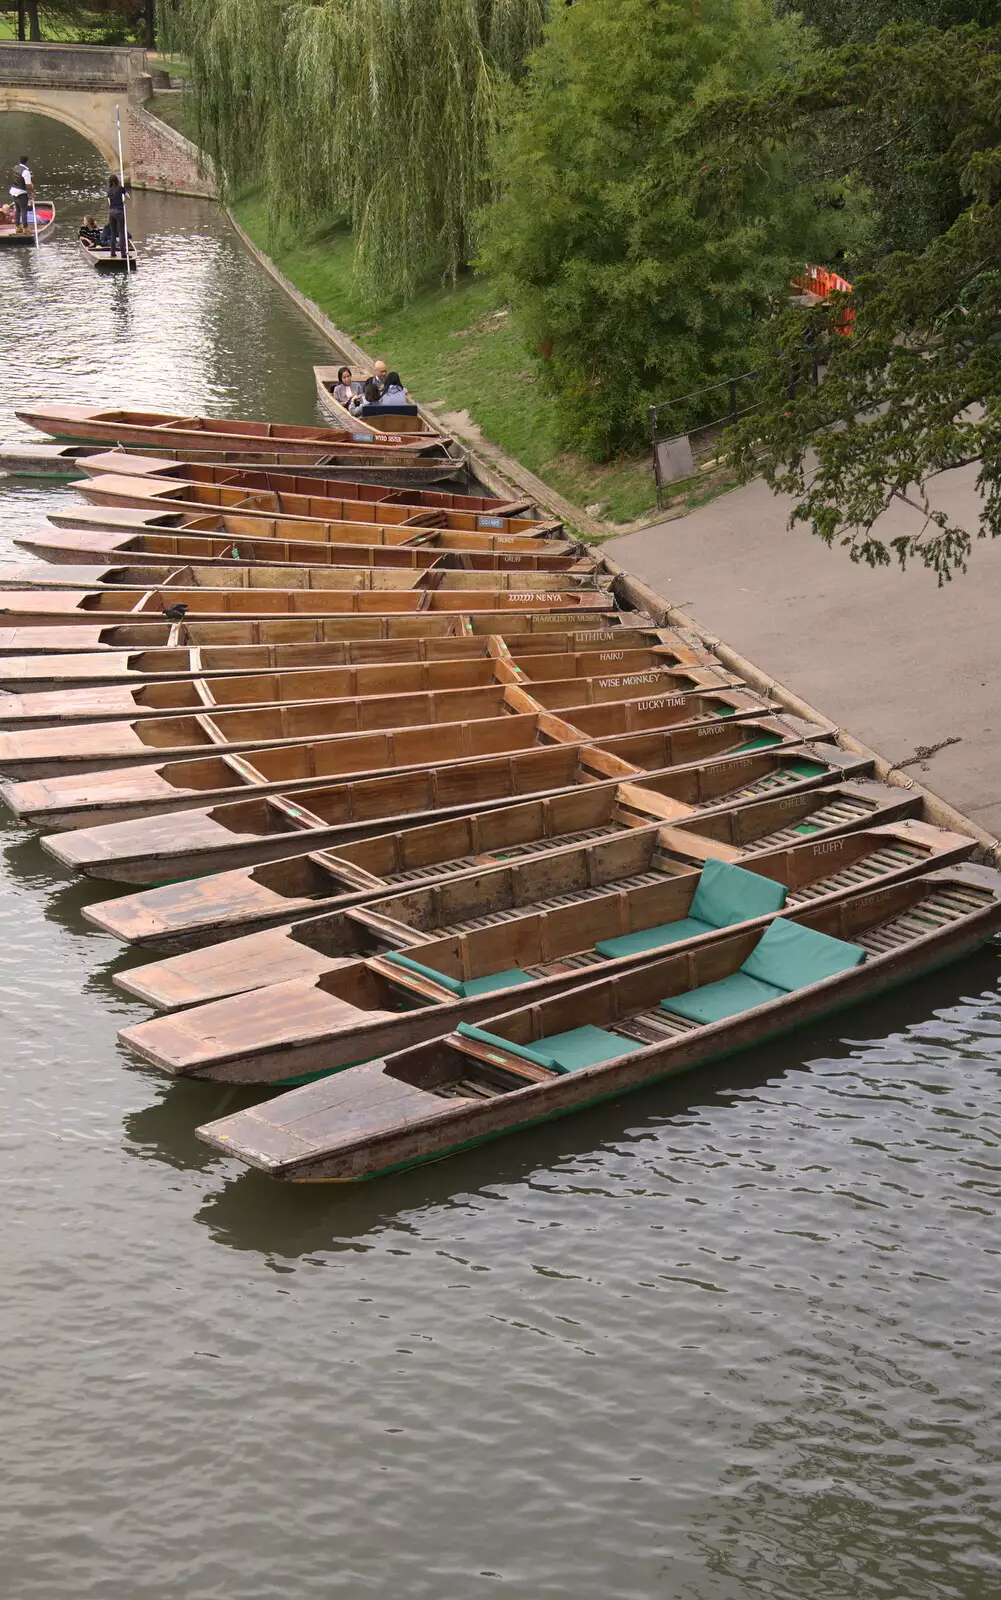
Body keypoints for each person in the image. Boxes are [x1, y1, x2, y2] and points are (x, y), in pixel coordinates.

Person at [106, 173, 129, 259]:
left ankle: (112, 253)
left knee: (113, 233)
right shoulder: (120, 188)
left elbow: (109, 203)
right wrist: (123, 200)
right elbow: (128, 196)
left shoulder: (108, 190)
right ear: (117, 180)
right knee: (121, 232)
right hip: (119, 212)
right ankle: (123, 254)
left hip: (111, 212)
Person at [9, 158, 32, 234]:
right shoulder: (25, 171)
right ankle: (25, 228)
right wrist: (32, 190)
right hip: (21, 192)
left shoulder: (15, 168)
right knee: (24, 210)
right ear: (27, 162)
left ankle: (18, 227)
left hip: (13, 191)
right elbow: (28, 185)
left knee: (17, 210)